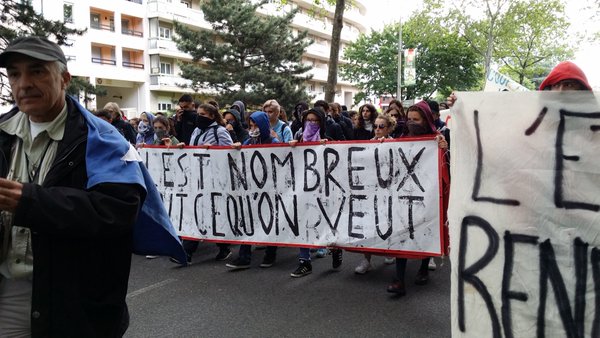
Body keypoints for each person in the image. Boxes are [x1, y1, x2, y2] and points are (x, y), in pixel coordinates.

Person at [0, 36, 185, 336]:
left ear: (64, 79)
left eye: (37, 71)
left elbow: (118, 210)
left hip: (74, 304)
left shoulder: (104, 138)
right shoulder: (3, 133)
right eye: (14, 73)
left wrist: (28, 201)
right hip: (8, 292)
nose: (24, 83)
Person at [387, 101, 449, 296]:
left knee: (425, 231)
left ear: (426, 120)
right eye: (409, 119)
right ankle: (399, 279)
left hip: (427, 195)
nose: (412, 123)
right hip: (404, 196)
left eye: (416, 119)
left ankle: (423, 268)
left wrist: (444, 148)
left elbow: (448, 165)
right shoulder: (401, 139)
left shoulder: (436, 139)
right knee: (401, 234)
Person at [175, 103, 234, 264]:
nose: (199, 117)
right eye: (198, 113)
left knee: (210, 213)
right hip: (197, 178)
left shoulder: (219, 131)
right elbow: (193, 150)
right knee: (199, 213)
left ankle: (189, 251)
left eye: (203, 114)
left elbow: (230, 153)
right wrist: (183, 148)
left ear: (212, 116)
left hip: (214, 179)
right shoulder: (196, 131)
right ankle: (190, 252)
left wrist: (213, 150)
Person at [289, 108, 343, 277]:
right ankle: (305, 262)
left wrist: (328, 147)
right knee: (302, 222)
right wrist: (292, 147)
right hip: (304, 188)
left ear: (321, 122)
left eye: (315, 120)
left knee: (327, 223)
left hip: (325, 190)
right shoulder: (299, 138)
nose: (311, 123)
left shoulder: (329, 139)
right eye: (308, 120)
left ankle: (335, 248)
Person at [226, 111, 279, 270]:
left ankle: (270, 253)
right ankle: (244, 257)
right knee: (247, 220)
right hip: (251, 189)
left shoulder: (274, 142)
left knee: (271, 221)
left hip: (270, 189)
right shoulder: (248, 142)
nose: (253, 128)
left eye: (256, 125)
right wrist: (236, 148)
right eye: (250, 125)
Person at [354, 114, 397, 274]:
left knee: (388, 222)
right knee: (369, 225)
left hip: (388, 190)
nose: (377, 129)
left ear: (389, 128)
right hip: (370, 191)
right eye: (376, 126)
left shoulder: (397, 144)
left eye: (381, 127)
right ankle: (366, 260)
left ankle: (390, 251)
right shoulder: (368, 144)